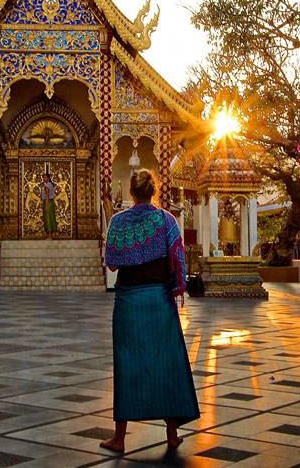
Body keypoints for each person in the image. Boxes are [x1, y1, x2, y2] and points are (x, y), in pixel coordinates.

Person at [100, 169, 199, 454]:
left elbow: (112, 263)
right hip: (158, 299)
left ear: (131, 192)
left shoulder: (118, 222)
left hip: (128, 302)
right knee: (167, 363)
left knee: (126, 364)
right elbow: (178, 260)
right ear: (153, 190)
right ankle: (171, 434)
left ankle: (119, 438)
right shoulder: (166, 220)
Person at [41, 172, 56, 239]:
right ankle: (53, 233)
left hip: (48, 202)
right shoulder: (50, 184)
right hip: (51, 202)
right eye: (43, 177)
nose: (44, 179)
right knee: (51, 217)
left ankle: (49, 235)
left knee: (48, 218)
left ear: (49, 178)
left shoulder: (47, 185)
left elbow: (47, 195)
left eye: (45, 177)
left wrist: (46, 205)